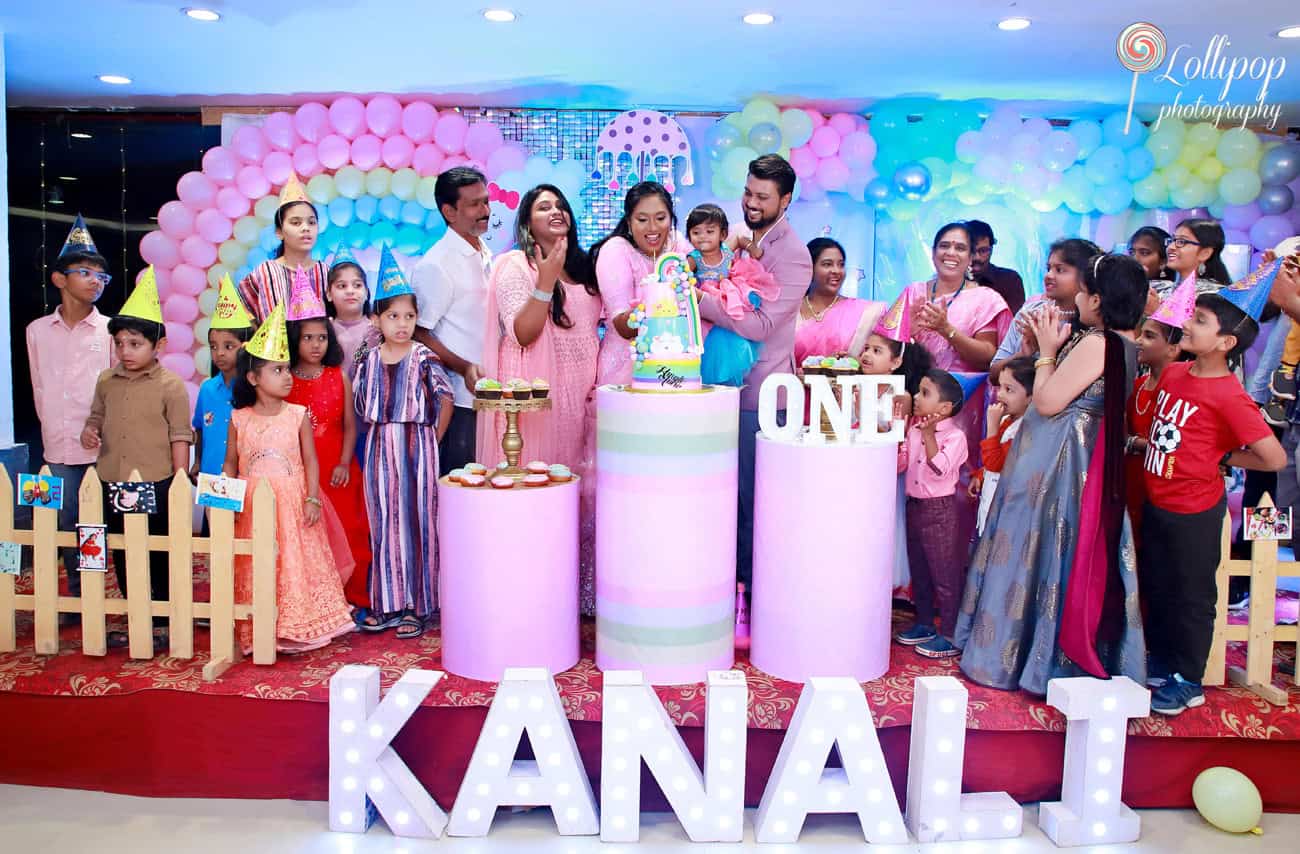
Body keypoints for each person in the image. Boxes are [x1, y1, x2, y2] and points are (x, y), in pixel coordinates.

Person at [954, 253, 1149, 695]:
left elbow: (1046, 402)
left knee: (1038, 552)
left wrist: (1044, 354)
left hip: (1060, 468)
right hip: (1067, 463)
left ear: (1098, 300)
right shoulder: (1118, 342)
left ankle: (1028, 661)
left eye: (1083, 290)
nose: (1076, 296)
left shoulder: (1100, 343)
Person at [1141, 288, 1284, 715]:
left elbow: (1273, 457)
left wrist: (1222, 457)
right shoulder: (1174, 374)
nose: (1187, 324)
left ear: (1226, 343)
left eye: (1200, 321)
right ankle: (1163, 661)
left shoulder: (1229, 394)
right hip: (1157, 501)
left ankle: (1189, 679)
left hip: (1194, 510)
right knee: (1161, 588)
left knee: (1192, 596)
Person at [477, 185, 601, 610]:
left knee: (576, 498)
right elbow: (523, 333)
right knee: (537, 492)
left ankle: (574, 596)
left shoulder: (584, 267)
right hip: (535, 399)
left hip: (580, 401)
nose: (555, 210)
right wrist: (545, 281)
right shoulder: (515, 265)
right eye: (543, 206)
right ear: (527, 221)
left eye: (561, 203)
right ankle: (529, 595)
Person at [697, 155, 813, 588]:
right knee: (724, 498)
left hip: (761, 397)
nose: (750, 202)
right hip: (722, 389)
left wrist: (700, 301)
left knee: (752, 504)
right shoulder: (740, 240)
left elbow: (762, 325)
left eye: (762, 196)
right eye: (748, 192)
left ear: (785, 199)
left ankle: (751, 598)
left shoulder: (795, 256)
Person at [225, 304, 356, 654]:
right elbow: (230, 465)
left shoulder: (296, 414)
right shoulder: (239, 418)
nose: (287, 377)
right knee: (259, 560)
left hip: (293, 499)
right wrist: (227, 503)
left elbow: (309, 460)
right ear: (253, 378)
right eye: (277, 370)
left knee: (295, 561)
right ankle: (260, 628)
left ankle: (300, 624)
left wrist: (312, 497)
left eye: (286, 369)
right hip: (253, 504)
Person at [79, 269, 192, 648]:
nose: (125, 352)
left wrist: (179, 480)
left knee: (157, 548)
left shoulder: (170, 385)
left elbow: (180, 434)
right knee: (124, 548)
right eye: (120, 344)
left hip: (156, 481)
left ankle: (162, 617)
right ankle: (135, 610)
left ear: (157, 345)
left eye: (135, 344)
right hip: (113, 478)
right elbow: (96, 416)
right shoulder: (106, 381)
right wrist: (89, 431)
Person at [353, 246, 454, 639]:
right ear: (377, 318)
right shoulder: (368, 359)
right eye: (393, 316)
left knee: (420, 522)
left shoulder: (425, 357)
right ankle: (388, 601)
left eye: (409, 316)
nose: (402, 324)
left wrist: (433, 437)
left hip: (419, 445)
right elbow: (362, 405)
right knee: (384, 522)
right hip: (380, 445)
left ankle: (418, 603)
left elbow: (445, 399)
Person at [27, 215, 113, 600]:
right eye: (85, 272)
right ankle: (73, 597)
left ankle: (97, 597)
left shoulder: (110, 332)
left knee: (97, 525)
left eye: (101, 276)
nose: (95, 281)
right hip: (56, 446)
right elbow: (39, 386)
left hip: (101, 446)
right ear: (59, 279)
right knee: (61, 524)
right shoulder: (37, 331)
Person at [284, 270, 372, 615]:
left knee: (350, 532)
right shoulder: (285, 381)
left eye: (322, 338)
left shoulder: (340, 377)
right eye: (308, 338)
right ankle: (316, 601)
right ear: (295, 341)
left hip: (339, 467)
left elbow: (351, 426)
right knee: (308, 536)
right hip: (305, 471)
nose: (316, 345)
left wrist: (343, 461)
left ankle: (353, 598)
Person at [411, 167, 493, 475]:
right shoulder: (436, 264)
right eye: (474, 204)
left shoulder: (484, 251)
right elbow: (418, 332)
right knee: (462, 492)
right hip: (458, 402)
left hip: (489, 396)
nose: (485, 211)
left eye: (486, 201)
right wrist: (464, 367)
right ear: (449, 211)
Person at [860, 294, 932, 594]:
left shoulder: (899, 400)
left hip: (886, 479)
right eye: (866, 348)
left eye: (877, 350)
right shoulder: (855, 389)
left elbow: (902, 452)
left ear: (896, 362)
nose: (866, 354)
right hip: (860, 476)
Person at [894, 370, 969, 659]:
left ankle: (951, 633)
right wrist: (901, 433)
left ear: (944, 408)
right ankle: (924, 623)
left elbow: (940, 468)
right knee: (921, 571)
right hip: (915, 505)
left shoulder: (955, 436)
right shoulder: (914, 429)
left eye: (925, 393)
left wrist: (927, 436)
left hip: (939, 510)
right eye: (918, 391)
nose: (916, 397)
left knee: (944, 574)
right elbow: (901, 465)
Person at [591, 182, 691, 387]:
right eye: (642, 220)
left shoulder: (676, 244)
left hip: (673, 368)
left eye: (661, 218)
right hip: (626, 369)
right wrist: (658, 302)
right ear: (629, 222)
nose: (653, 228)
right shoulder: (615, 251)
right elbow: (623, 326)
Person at [686, 203, 779, 386]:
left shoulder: (726, 250)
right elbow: (682, 276)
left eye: (709, 231)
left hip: (729, 290)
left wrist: (752, 248)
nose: (703, 237)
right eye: (696, 233)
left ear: (722, 234)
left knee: (744, 306)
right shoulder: (694, 258)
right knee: (711, 338)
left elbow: (740, 239)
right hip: (708, 294)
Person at [990, 238, 1098, 383]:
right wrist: (1023, 354)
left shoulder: (1093, 320)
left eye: (1059, 270)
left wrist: (1045, 347)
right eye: (1049, 269)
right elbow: (994, 375)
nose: (1048, 276)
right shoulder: (1031, 312)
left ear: (1085, 277)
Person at [236, 173, 327, 325]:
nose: (306, 228)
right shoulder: (264, 273)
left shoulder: (326, 273)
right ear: (279, 232)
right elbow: (242, 319)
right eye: (296, 223)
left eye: (311, 222)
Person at [1124, 312, 1184, 542]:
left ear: (1173, 349)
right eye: (1141, 333)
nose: (1138, 341)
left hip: (1164, 484)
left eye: (1149, 336)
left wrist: (1134, 442)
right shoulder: (1137, 385)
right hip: (1132, 479)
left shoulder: (1181, 392)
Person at [191, 275, 253, 483]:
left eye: (229, 346)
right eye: (213, 346)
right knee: (213, 517)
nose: (220, 353)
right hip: (211, 476)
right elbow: (200, 428)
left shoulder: (253, 389)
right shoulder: (207, 389)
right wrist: (198, 461)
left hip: (244, 478)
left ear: (244, 346)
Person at [794, 237, 885, 368]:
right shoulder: (789, 311)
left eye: (841, 264)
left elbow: (884, 355)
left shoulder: (866, 313)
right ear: (809, 268)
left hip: (846, 387)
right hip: (793, 386)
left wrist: (853, 363)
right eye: (827, 264)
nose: (836, 271)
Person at [969, 356, 1034, 537]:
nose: (1000, 394)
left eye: (1009, 390)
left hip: (1007, 510)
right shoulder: (1007, 420)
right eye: (1000, 387)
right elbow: (994, 459)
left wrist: (992, 427)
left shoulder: (1025, 429)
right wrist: (981, 475)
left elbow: (996, 463)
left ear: (1031, 396)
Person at [325, 245, 376, 380]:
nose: (350, 291)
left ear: (366, 293)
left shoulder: (376, 331)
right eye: (342, 286)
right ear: (329, 294)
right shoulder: (325, 331)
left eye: (357, 285)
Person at [967, 219, 1026, 314]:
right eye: (971, 250)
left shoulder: (1010, 280)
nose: (976, 257)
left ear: (992, 249)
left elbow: (1015, 325)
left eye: (983, 251)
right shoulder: (950, 280)